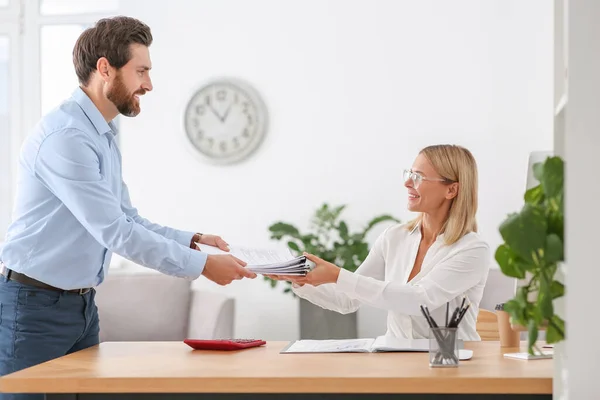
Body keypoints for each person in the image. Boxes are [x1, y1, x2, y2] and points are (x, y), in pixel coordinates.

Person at [0, 15, 256, 395]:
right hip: (33, 308)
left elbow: (126, 217)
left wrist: (193, 240)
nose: (148, 84)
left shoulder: (102, 131)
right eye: (141, 71)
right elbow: (116, 232)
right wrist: (202, 266)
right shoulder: (66, 137)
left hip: (82, 308)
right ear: (105, 68)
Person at [269, 144, 490, 340]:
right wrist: (299, 278)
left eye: (419, 177)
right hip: (397, 360)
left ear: (451, 190)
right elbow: (347, 299)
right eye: (409, 173)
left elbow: (419, 300)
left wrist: (337, 275)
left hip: (452, 363)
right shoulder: (394, 237)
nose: (407, 183)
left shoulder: (472, 249)